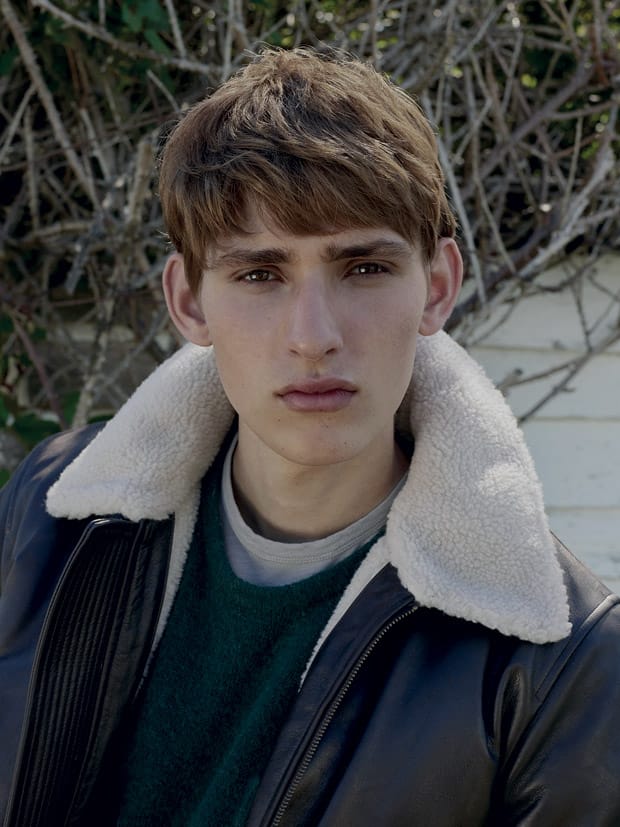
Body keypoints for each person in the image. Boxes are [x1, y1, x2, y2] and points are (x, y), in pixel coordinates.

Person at [1, 47, 619, 827]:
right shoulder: (48, 518)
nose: (313, 335)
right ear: (189, 302)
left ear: (437, 287)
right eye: (260, 274)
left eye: (363, 268)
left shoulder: (558, 661)